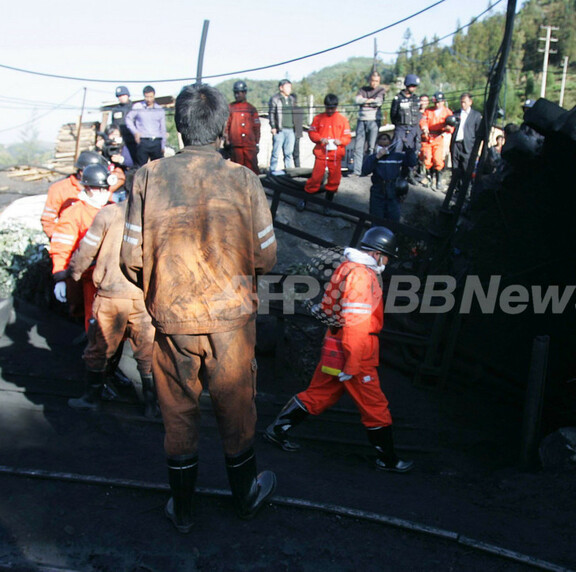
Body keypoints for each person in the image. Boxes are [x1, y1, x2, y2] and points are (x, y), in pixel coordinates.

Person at [120, 83, 278, 532]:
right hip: (232, 321)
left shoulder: (148, 177)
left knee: (178, 412)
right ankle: (245, 497)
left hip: (172, 320)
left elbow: (131, 257)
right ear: (224, 127)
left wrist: (164, 293)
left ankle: (184, 509)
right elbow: (266, 257)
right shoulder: (244, 180)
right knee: (237, 407)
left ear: (179, 127)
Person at [263, 226, 413, 473]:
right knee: (375, 405)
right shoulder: (363, 276)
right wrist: (353, 364)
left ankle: (277, 430)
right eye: (387, 257)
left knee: (320, 393)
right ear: (377, 254)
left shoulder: (347, 267)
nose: (387, 262)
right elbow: (357, 323)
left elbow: (328, 307)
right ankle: (387, 459)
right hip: (356, 351)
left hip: (335, 344)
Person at [65, 191, 157, 417]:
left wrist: (73, 273)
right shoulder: (158, 216)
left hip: (111, 295)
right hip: (143, 297)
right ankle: (152, 406)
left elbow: (86, 250)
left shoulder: (109, 213)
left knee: (99, 349)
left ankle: (91, 399)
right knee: (148, 351)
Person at [50, 163, 113, 332]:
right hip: (90, 276)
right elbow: (62, 247)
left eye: (105, 189)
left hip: (115, 275)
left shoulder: (113, 208)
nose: (103, 193)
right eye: (98, 189)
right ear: (87, 188)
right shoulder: (74, 214)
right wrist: (60, 277)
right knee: (95, 321)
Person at [301, 94, 352, 212]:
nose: (330, 111)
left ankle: (327, 204)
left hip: (335, 155)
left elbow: (347, 137)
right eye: (328, 108)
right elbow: (312, 132)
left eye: (332, 108)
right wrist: (320, 139)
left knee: (334, 180)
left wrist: (341, 141)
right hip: (321, 153)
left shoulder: (342, 120)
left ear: (336, 107)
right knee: (315, 178)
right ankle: (304, 200)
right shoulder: (318, 118)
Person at [41, 151, 105, 239]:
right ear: (82, 171)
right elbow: (48, 220)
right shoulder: (59, 189)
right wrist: (59, 239)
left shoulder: (102, 190)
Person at [362, 132, 416, 222]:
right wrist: (377, 157)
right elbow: (365, 170)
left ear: (390, 144)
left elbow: (412, 162)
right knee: (376, 219)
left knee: (393, 219)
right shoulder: (373, 157)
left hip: (393, 191)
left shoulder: (397, 157)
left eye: (386, 145)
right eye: (381, 145)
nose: (383, 147)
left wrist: (407, 146)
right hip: (378, 190)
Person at [418, 91, 454, 191]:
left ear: (443, 101)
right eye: (435, 102)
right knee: (427, 159)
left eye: (439, 102)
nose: (437, 104)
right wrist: (424, 127)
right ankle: (429, 178)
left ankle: (438, 181)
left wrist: (448, 129)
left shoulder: (447, 112)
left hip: (438, 138)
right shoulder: (428, 111)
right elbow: (423, 121)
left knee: (438, 160)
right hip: (427, 137)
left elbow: (452, 125)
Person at [353, 71, 386, 176]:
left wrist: (365, 101)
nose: (374, 83)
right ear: (369, 80)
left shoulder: (381, 90)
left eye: (377, 81)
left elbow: (378, 102)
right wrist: (370, 101)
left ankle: (370, 170)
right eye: (373, 81)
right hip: (361, 120)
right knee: (358, 147)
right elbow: (357, 100)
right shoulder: (362, 89)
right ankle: (357, 171)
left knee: (372, 147)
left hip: (374, 121)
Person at [125, 85, 167, 167]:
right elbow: (128, 119)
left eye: (151, 97)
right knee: (141, 167)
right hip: (143, 141)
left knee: (158, 167)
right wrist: (135, 132)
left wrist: (163, 145)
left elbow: (163, 129)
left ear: (154, 96)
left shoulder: (160, 110)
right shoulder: (138, 107)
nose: (149, 99)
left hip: (156, 141)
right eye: (147, 97)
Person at [225, 80, 261, 174]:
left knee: (252, 170)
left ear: (244, 93)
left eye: (239, 93)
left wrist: (256, 142)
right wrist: (227, 140)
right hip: (236, 145)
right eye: (235, 93)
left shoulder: (251, 108)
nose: (237, 95)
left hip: (249, 145)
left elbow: (256, 127)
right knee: (236, 170)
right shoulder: (230, 108)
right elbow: (226, 125)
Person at [449, 92, 483, 185]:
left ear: (470, 102)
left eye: (465, 102)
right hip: (456, 144)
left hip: (468, 145)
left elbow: (478, 132)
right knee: (455, 168)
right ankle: (455, 187)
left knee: (466, 168)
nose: (463, 104)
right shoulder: (456, 113)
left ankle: (465, 189)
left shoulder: (476, 115)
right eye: (461, 102)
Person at [390, 74, 422, 158]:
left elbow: (418, 113)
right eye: (412, 86)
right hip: (400, 128)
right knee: (397, 150)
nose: (414, 88)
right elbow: (393, 115)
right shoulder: (398, 98)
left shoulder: (416, 99)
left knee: (412, 152)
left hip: (413, 128)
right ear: (407, 85)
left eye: (415, 86)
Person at [268, 79, 297, 175]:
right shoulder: (275, 99)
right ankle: (272, 171)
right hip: (279, 129)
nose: (289, 89)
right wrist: (273, 126)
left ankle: (289, 172)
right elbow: (271, 113)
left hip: (291, 129)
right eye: (287, 87)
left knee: (289, 153)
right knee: (276, 152)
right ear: (281, 88)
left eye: (290, 87)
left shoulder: (292, 99)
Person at [110, 86, 137, 162]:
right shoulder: (115, 110)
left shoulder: (135, 108)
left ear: (127, 95)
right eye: (119, 96)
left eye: (123, 95)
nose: (121, 98)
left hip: (133, 141)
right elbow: (113, 126)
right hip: (121, 142)